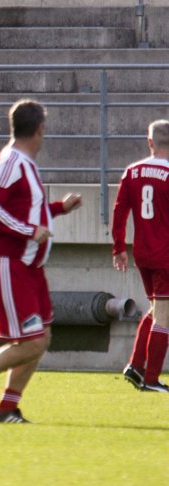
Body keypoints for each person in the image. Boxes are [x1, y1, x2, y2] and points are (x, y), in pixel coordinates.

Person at [0, 99, 83, 423]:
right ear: (40, 129)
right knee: (30, 342)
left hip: (29, 267)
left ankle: (7, 409)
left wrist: (59, 208)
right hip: (7, 263)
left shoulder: (23, 162)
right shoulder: (12, 161)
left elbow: (26, 210)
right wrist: (29, 231)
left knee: (40, 339)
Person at [111, 120, 169, 393]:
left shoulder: (132, 172)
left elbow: (119, 211)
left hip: (143, 254)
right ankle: (151, 379)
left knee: (157, 309)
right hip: (165, 255)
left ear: (150, 142)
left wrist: (118, 248)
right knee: (164, 316)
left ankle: (135, 366)